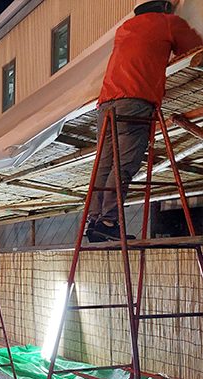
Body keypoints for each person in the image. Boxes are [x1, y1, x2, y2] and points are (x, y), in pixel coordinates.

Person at [87, 0, 202, 242]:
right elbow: (194, 49)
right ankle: (108, 220)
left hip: (106, 103)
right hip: (135, 100)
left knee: (104, 164)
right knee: (124, 165)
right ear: (165, 8)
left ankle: (95, 221)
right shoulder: (169, 23)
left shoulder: (125, 28)